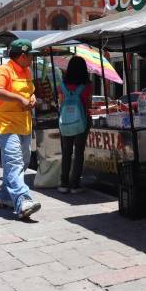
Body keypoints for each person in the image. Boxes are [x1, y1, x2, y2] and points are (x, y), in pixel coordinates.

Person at [0, 39, 41, 219]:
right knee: (15, 162)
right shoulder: (4, 70)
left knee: (23, 162)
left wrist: (32, 97)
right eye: (31, 56)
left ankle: (4, 197)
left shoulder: (26, 71)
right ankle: (23, 201)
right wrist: (19, 99)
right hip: (6, 124)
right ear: (22, 56)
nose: (32, 60)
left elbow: (30, 90)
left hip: (24, 124)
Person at [58, 56, 92, 194]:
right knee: (79, 153)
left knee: (66, 152)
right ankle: (75, 184)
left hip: (65, 122)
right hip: (82, 122)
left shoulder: (62, 85)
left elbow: (60, 103)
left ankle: (63, 184)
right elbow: (88, 105)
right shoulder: (87, 85)